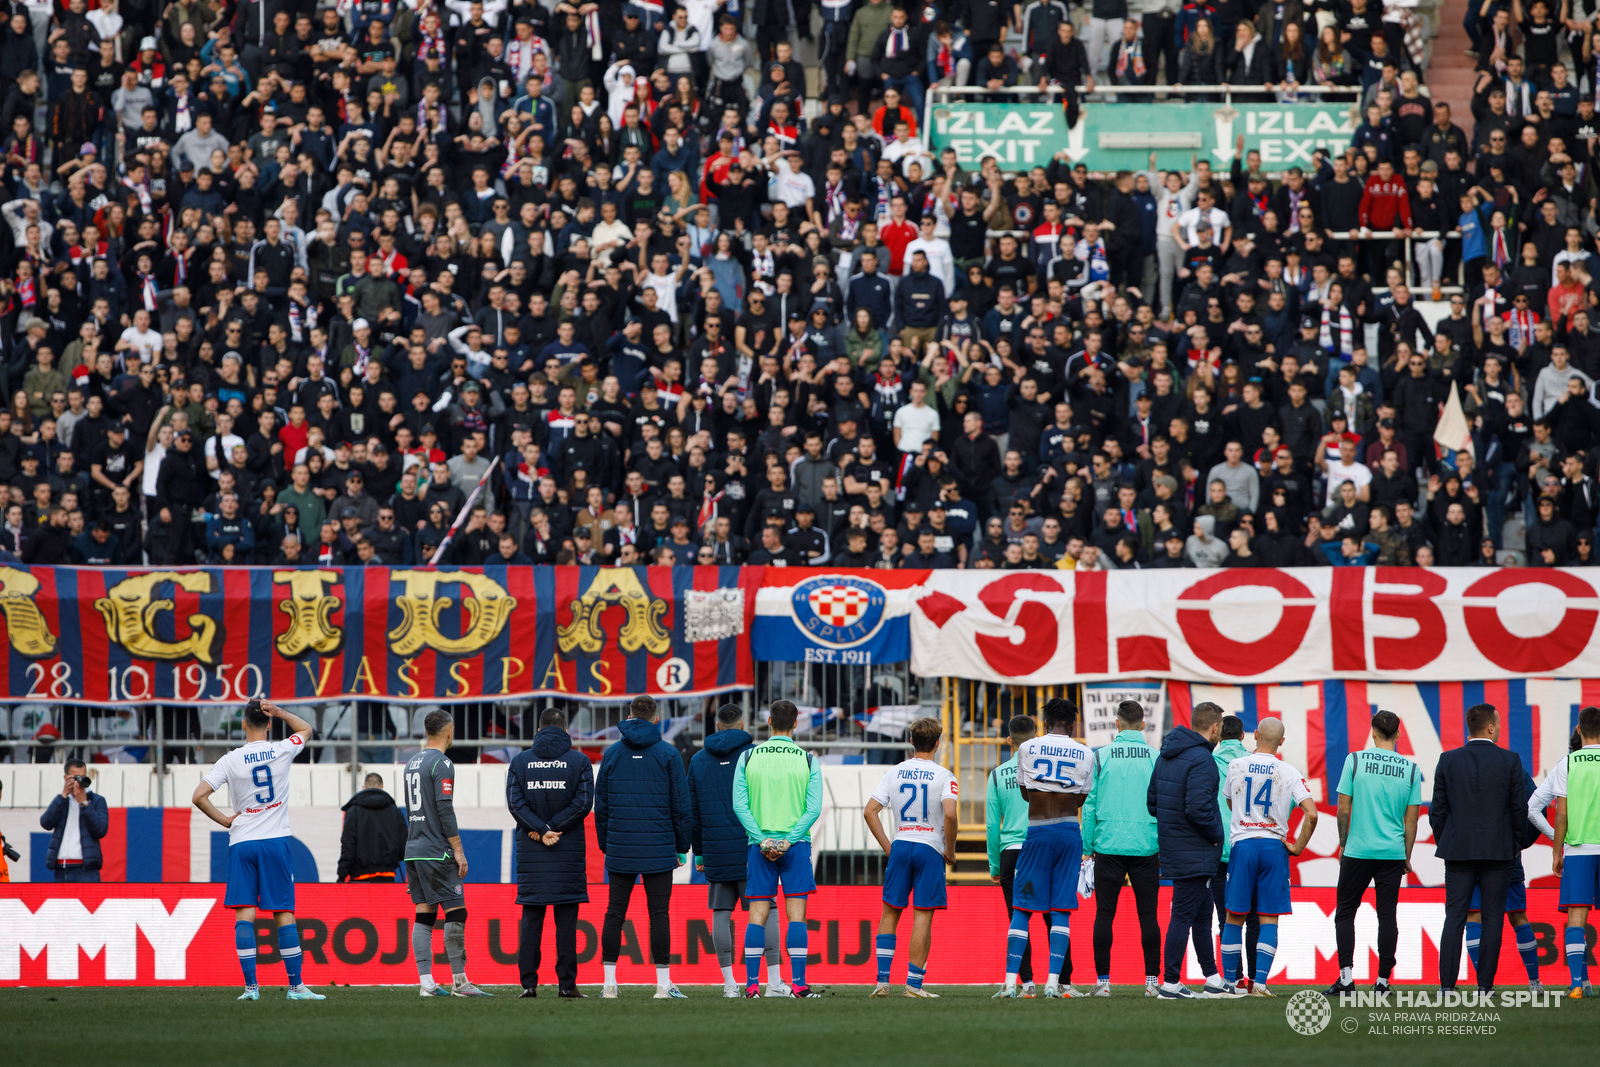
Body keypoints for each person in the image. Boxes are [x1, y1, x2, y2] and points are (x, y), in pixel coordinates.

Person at [191, 700, 326, 1001]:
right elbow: (306, 728)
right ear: (268, 724)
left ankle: (251, 989)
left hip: (242, 842)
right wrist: (280, 712)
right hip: (275, 840)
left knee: (244, 915)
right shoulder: (281, 749)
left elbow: (199, 796)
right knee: (283, 915)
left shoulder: (230, 760)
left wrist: (226, 819)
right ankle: (296, 987)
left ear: (242, 725)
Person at [1430, 702, 1534, 993]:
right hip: (1499, 852)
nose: (1500, 727)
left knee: (1454, 918)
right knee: (1492, 919)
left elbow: (1437, 812)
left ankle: (1446, 988)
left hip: (1458, 852)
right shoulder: (1510, 760)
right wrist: (1515, 844)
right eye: (1498, 723)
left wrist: (1448, 841)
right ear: (1489, 727)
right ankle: (1485, 987)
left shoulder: (1447, 760)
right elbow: (1518, 810)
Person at [595, 694, 692, 999]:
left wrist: (606, 844)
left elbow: (601, 807)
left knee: (614, 913)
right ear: (656, 718)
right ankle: (663, 985)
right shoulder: (669, 753)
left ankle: (609, 984)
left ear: (630, 714)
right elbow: (680, 805)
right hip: (659, 845)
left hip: (620, 845)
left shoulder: (611, 754)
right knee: (659, 914)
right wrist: (682, 846)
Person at [689, 702, 787, 998]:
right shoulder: (757, 755)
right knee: (767, 911)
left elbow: (692, 812)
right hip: (753, 847)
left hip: (716, 849)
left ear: (716, 726)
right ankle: (773, 983)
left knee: (721, 913)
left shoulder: (697, 760)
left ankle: (730, 985)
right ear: (743, 726)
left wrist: (700, 853)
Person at [998, 697, 1094, 999]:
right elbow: (1081, 798)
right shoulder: (1086, 753)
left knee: (1023, 908)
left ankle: (1012, 984)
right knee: (1061, 909)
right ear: (1073, 724)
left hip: (1037, 831)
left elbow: (1026, 794)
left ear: (1045, 723)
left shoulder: (1027, 748)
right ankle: (1054, 983)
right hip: (1068, 831)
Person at [1218, 716, 1317, 997]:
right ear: (1282, 742)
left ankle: (1230, 983)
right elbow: (1311, 813)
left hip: (1244, 845)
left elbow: (1229, 799)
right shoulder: (1290, 772)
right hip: (1274, 847)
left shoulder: (1236, 765)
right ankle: (1259, 984)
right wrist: (1297, 847)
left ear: (1255, 735)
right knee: (1269, 919)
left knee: (1234, 916)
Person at [732, 698, 825, 998]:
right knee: (796, 915)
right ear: (796, 723)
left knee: (757, 914)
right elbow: (813, 808)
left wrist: (761, 839)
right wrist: (789, 839)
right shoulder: (808, 760)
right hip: (796, 845)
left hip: (758, 845)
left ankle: (752, 986)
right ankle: (798, 985)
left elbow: (739, 805)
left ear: (769, 722)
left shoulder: (748, 757)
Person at [1326, 710, 1422, 996]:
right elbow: (1412, 820)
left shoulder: (1354, 760)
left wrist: (1344, 844)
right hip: (1392, 852)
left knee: (1345, 912)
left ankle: (1346, 979)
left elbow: (1343, 808)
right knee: (1387, 915)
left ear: (1373, 732)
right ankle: (1382, 982)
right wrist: (1406, 855)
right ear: (1399, 734)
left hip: (1358, 849)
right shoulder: (1411, 769)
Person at [863, 715, 958, 998]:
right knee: (922, 916)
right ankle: (914, 986)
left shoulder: (894, 772)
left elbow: (870, 811)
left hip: (901, 843)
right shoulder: (944, 775)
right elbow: (950, 813)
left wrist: (888, 846)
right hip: (929, 847)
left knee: (890, 912)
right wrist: (950, 850)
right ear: (937, 744)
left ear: (911, 741)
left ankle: (882, 982)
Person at [506, 707, 594, 999]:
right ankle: (567, 986)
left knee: (532, 921)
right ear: (565, 730)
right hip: (566, 850)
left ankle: (528, 985)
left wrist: (540, 829)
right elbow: (583, 805)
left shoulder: (519, 761)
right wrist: (552, 829)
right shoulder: (580, 761)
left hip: (532, 849)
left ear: (539, 730)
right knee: (566, 924)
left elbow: (516, 805)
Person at [403, 710, 491, 997]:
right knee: (456, 911)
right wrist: (458, 849)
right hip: (436, 851)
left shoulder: (412, 762)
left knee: (424, 915)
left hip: (414, 849)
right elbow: (443, 808)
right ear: (449, 731)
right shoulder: (442, 763)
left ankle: (427, 984)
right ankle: (459, 981)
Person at [1147, 700, 1231, 999]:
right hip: (1196, 848)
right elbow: (1198, 809)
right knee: (1183, 914)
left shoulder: (1165, 754)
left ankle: (1212, 978)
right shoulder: (1202, 760)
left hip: (1175, 845)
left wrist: (1174, 826)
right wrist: (1215, 835)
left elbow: (1152, 803)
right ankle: (1170, 983)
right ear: (1215, 727)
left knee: (1200, 912)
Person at [1081, 700, 1161, 998]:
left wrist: (1087, 848)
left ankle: (1103, 982)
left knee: (1104, 914)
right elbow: (1164, 805)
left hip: (1108, 846)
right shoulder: (1156, 757)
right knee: (1149, 915)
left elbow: (1089, 806)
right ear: (1143, 725)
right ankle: (1152, 983)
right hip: (1146, 845)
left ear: (1117, 724)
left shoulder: (1099, 757)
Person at [1541, 704, 1600, 998]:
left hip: (1578, 848)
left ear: (1578, 730)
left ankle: (1577, 984)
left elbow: (1560, 814)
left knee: (1577, 914)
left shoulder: (1567, 763)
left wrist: (1556, 850)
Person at [985, 714, 1036, 996]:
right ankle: (1062, 981)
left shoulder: (996, 774)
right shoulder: (1042, 771)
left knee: (1018, 917)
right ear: (1036, 738)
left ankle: (1026, 983)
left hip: (1010, 853)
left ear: (1009, 741)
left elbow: (993, 825)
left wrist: (994, 864)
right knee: (1054, 915)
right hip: (1040, 847)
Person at [1210, 715, 1258, 988]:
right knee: (1252, 917)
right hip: (1248, 845)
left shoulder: (1207, 763)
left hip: (1217, 848)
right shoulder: (1254, 763)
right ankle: (1254, 978)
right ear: (1242, 737)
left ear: (1218, 735)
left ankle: (1234, 978)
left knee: (1225, 916)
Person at [40, 758, 108, 882]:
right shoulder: (62, 801)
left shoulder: (97, 800)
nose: (78, 782)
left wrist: (83, 803)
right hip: (61, 868)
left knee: (89, 902)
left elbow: (101, 830)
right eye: (74, 778)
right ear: (65, 778)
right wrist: (63, 795)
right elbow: (46, 823)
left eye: (82, 777)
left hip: (85, 869)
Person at [335, 772, 406, 883]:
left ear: (364, 788)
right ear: (382, 788)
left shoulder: (353, 811)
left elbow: (348, 844)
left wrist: (342, 875)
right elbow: (404, 846)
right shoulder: (395, 811)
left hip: (360, 877)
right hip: (387, 875)